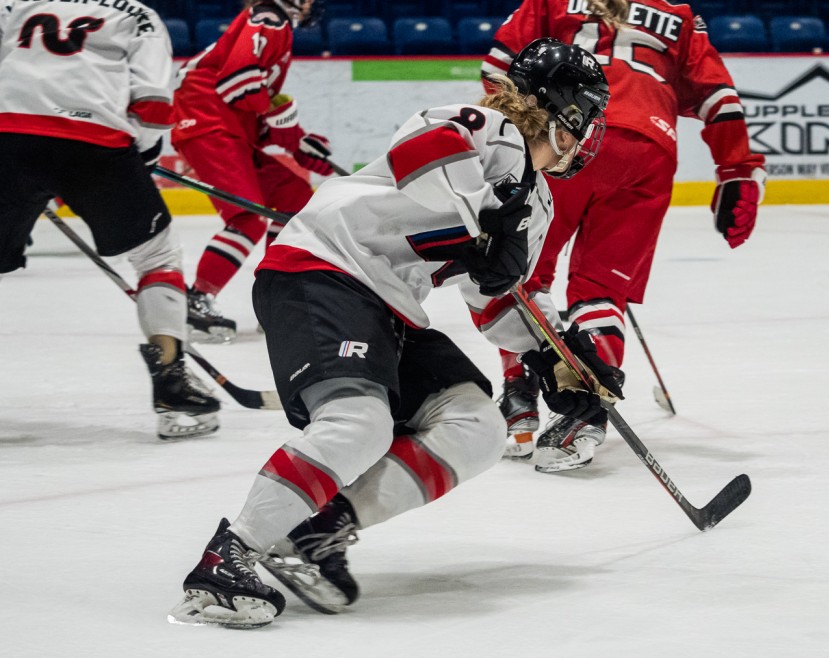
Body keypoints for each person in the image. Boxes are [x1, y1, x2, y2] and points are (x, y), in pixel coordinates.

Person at [168, 38, 620, 629]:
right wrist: (487, 219)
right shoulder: (488, 128)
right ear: (563, 114)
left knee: (477, 427)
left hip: (389, 302)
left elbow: (494, 300)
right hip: (322, 267)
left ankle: (317, 531)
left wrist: (555, 357)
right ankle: (227, 558)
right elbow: (420, 153)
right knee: (358, 424)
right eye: (585, 120)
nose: (588, 137)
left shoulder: (538, 202)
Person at [481, 0, 766, 472]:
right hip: (649, 147)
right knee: (600, 291)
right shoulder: (676, 12)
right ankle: (585, 418)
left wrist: (510, 142)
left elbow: (499, 67)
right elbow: (718, 96)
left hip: (565, 135)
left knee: (523, 274)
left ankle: (520, 402)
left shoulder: (551, 1)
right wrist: (735, 168)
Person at [0, 0, 220, 438]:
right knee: (158, 255)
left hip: (7, 139)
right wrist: (140, 156)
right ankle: (173, 388)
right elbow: (155, 104)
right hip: (93, 142)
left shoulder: (14, 4)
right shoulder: (136, 13)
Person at [172, 0, 334, 343]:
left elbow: (248, 101)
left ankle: (279, 298)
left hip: (228, 127)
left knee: (295, 198)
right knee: (246, 216)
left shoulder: (275, 24)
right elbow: (238, 79)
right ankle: (196, 299)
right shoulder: (270, 16)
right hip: (209, 124)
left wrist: (297, 141)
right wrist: (282, 123)